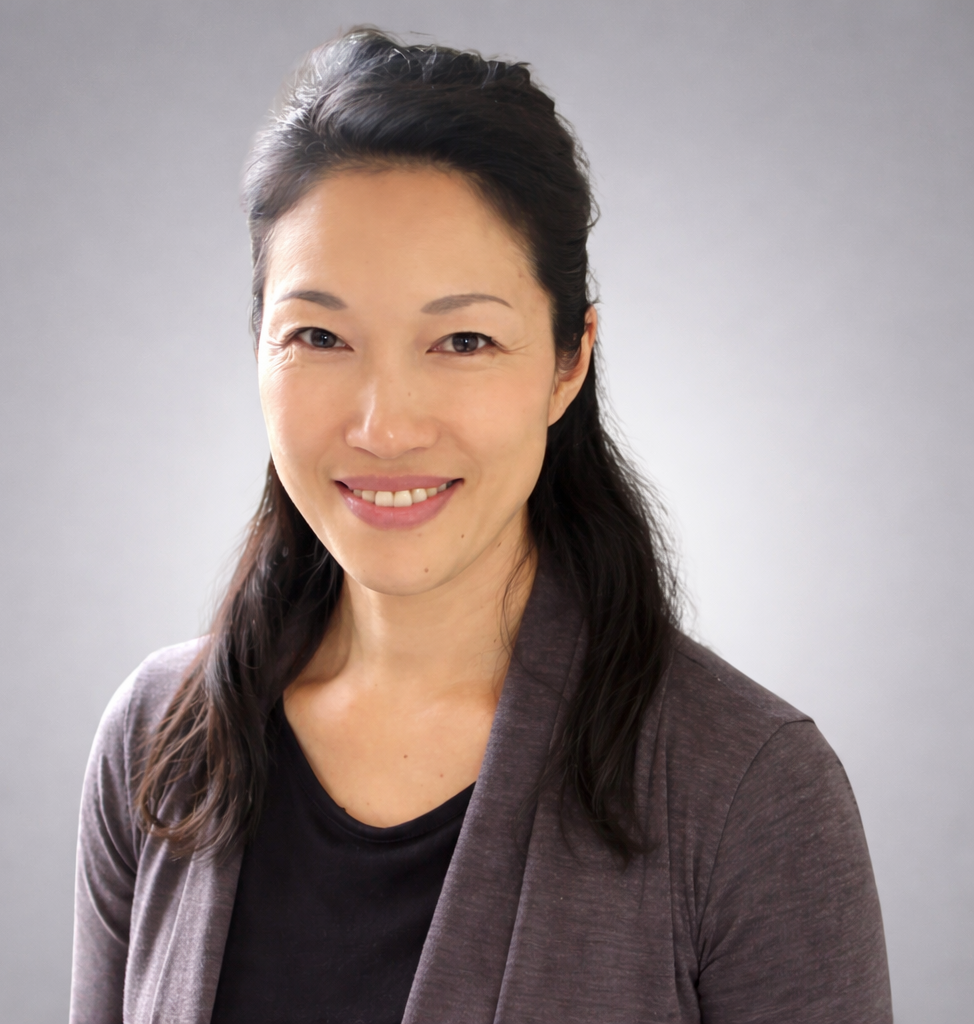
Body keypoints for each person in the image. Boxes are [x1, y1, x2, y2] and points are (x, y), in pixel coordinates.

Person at [69, 29, 892, 1024]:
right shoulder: (160, 742)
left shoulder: (747, 790)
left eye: (463, 339)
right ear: (256, 346)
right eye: (318, 336)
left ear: (568, 360)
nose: (383, 425)